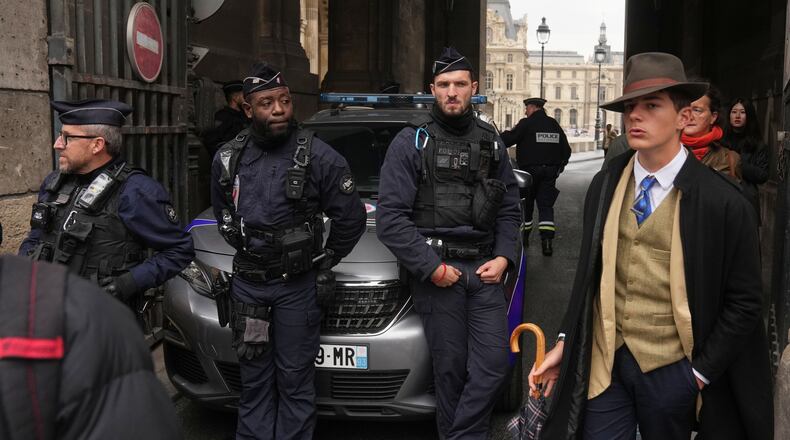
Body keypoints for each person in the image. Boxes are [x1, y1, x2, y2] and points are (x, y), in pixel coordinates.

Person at [530, 52, 773, 440]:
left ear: (683, 117)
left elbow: (745, 302)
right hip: (606, 363)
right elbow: (588, 277)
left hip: (672, 370)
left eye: (652, 105)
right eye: (630, 107)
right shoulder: (606, 184)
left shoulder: (724, 202)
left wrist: (698, 374)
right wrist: (565, 341)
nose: (635, 116)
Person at [210, 62, 366, 440]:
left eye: (284, 100)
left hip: (296, 288)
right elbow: (224, 213)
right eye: (267, 103)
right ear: (248, 109)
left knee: (295, 381)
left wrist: (326, 258)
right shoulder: (228, 158)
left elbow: (350, 218)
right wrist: (250, 248)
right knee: (255, 380)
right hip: (249, 288)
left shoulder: (320, 157)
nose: (279, 109)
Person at [376, 47, 521, 440]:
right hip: (439, 274)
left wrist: (504, 257)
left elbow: (510, 208)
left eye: (459, 84)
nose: (452, 92)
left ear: (474, 87)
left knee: (495, 365)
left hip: (485, 271)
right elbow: (391, 220)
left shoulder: (491, 141)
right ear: (432, 90)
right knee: (451, 371)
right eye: (444, 85)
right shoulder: (411, 141)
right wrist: (432, 268)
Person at [18, 99, 195, 310]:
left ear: (97, 145)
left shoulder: (135, 191)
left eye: (67, 138)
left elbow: (179, 250)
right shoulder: (54, 183)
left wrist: (127, 283)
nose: (57, 144)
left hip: (103, 318)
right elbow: (36, 236)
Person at [0, 250, 181, 439]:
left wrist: (127, 283)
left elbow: (178, 251)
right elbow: (36, 241)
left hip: (96, 323)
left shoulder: (91, 324)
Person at [501, 96, 571, 256]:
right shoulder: (553, 124)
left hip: (529, 173)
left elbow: (509, 139)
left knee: (527, 205)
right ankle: (547, 243)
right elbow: (566, 150)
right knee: (546, 206)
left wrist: (495, 137)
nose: (525, 112)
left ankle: (524, 238)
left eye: (526, 108)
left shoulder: (527, 123)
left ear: (532, 107)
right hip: (549, 173)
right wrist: (559, 167)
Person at [722, 97, 769, 223]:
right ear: (729, 115)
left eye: (742, 112)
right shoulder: (720, 142)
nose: (737, 116)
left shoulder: (757, 144)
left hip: (746, 201)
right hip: (721, 199)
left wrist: (739, 163)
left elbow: (763, 175)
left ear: (749, 116)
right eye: (734, 112)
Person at [681, 85, 741, 181]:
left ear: (713, 117)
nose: (689, 117)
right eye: (685, 109)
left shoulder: (729, 159)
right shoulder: (665, 153)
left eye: (697, 110)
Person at [202, 80, 250, 158]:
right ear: (235, 98)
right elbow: (211, 141)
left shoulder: (245, 115)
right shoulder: (223, 116)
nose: (246, 98)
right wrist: (227, 159)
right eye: (243, 95)